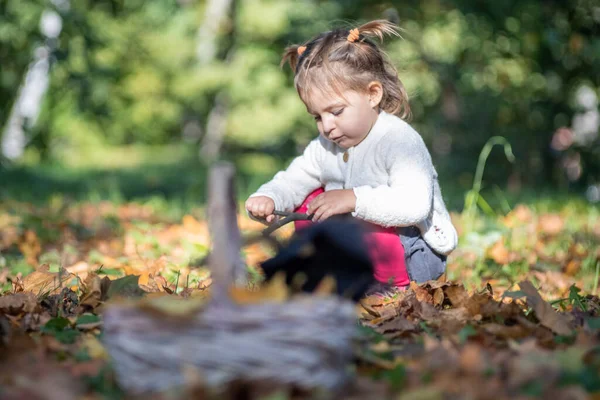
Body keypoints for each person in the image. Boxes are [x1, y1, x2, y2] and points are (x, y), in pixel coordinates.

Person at [245, 20, 458, 292]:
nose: (327, 125)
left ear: (372, 95)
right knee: (310, 202)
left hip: (412, 249)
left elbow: (413, 205)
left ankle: (387, 286)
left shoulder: (399, 141)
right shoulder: (324, 145)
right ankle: (332, 273)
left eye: (336, 112)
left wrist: (353, 198)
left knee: (363, 220)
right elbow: (293, 180)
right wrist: (270, 197)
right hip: (358, 243)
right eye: (317, 117)